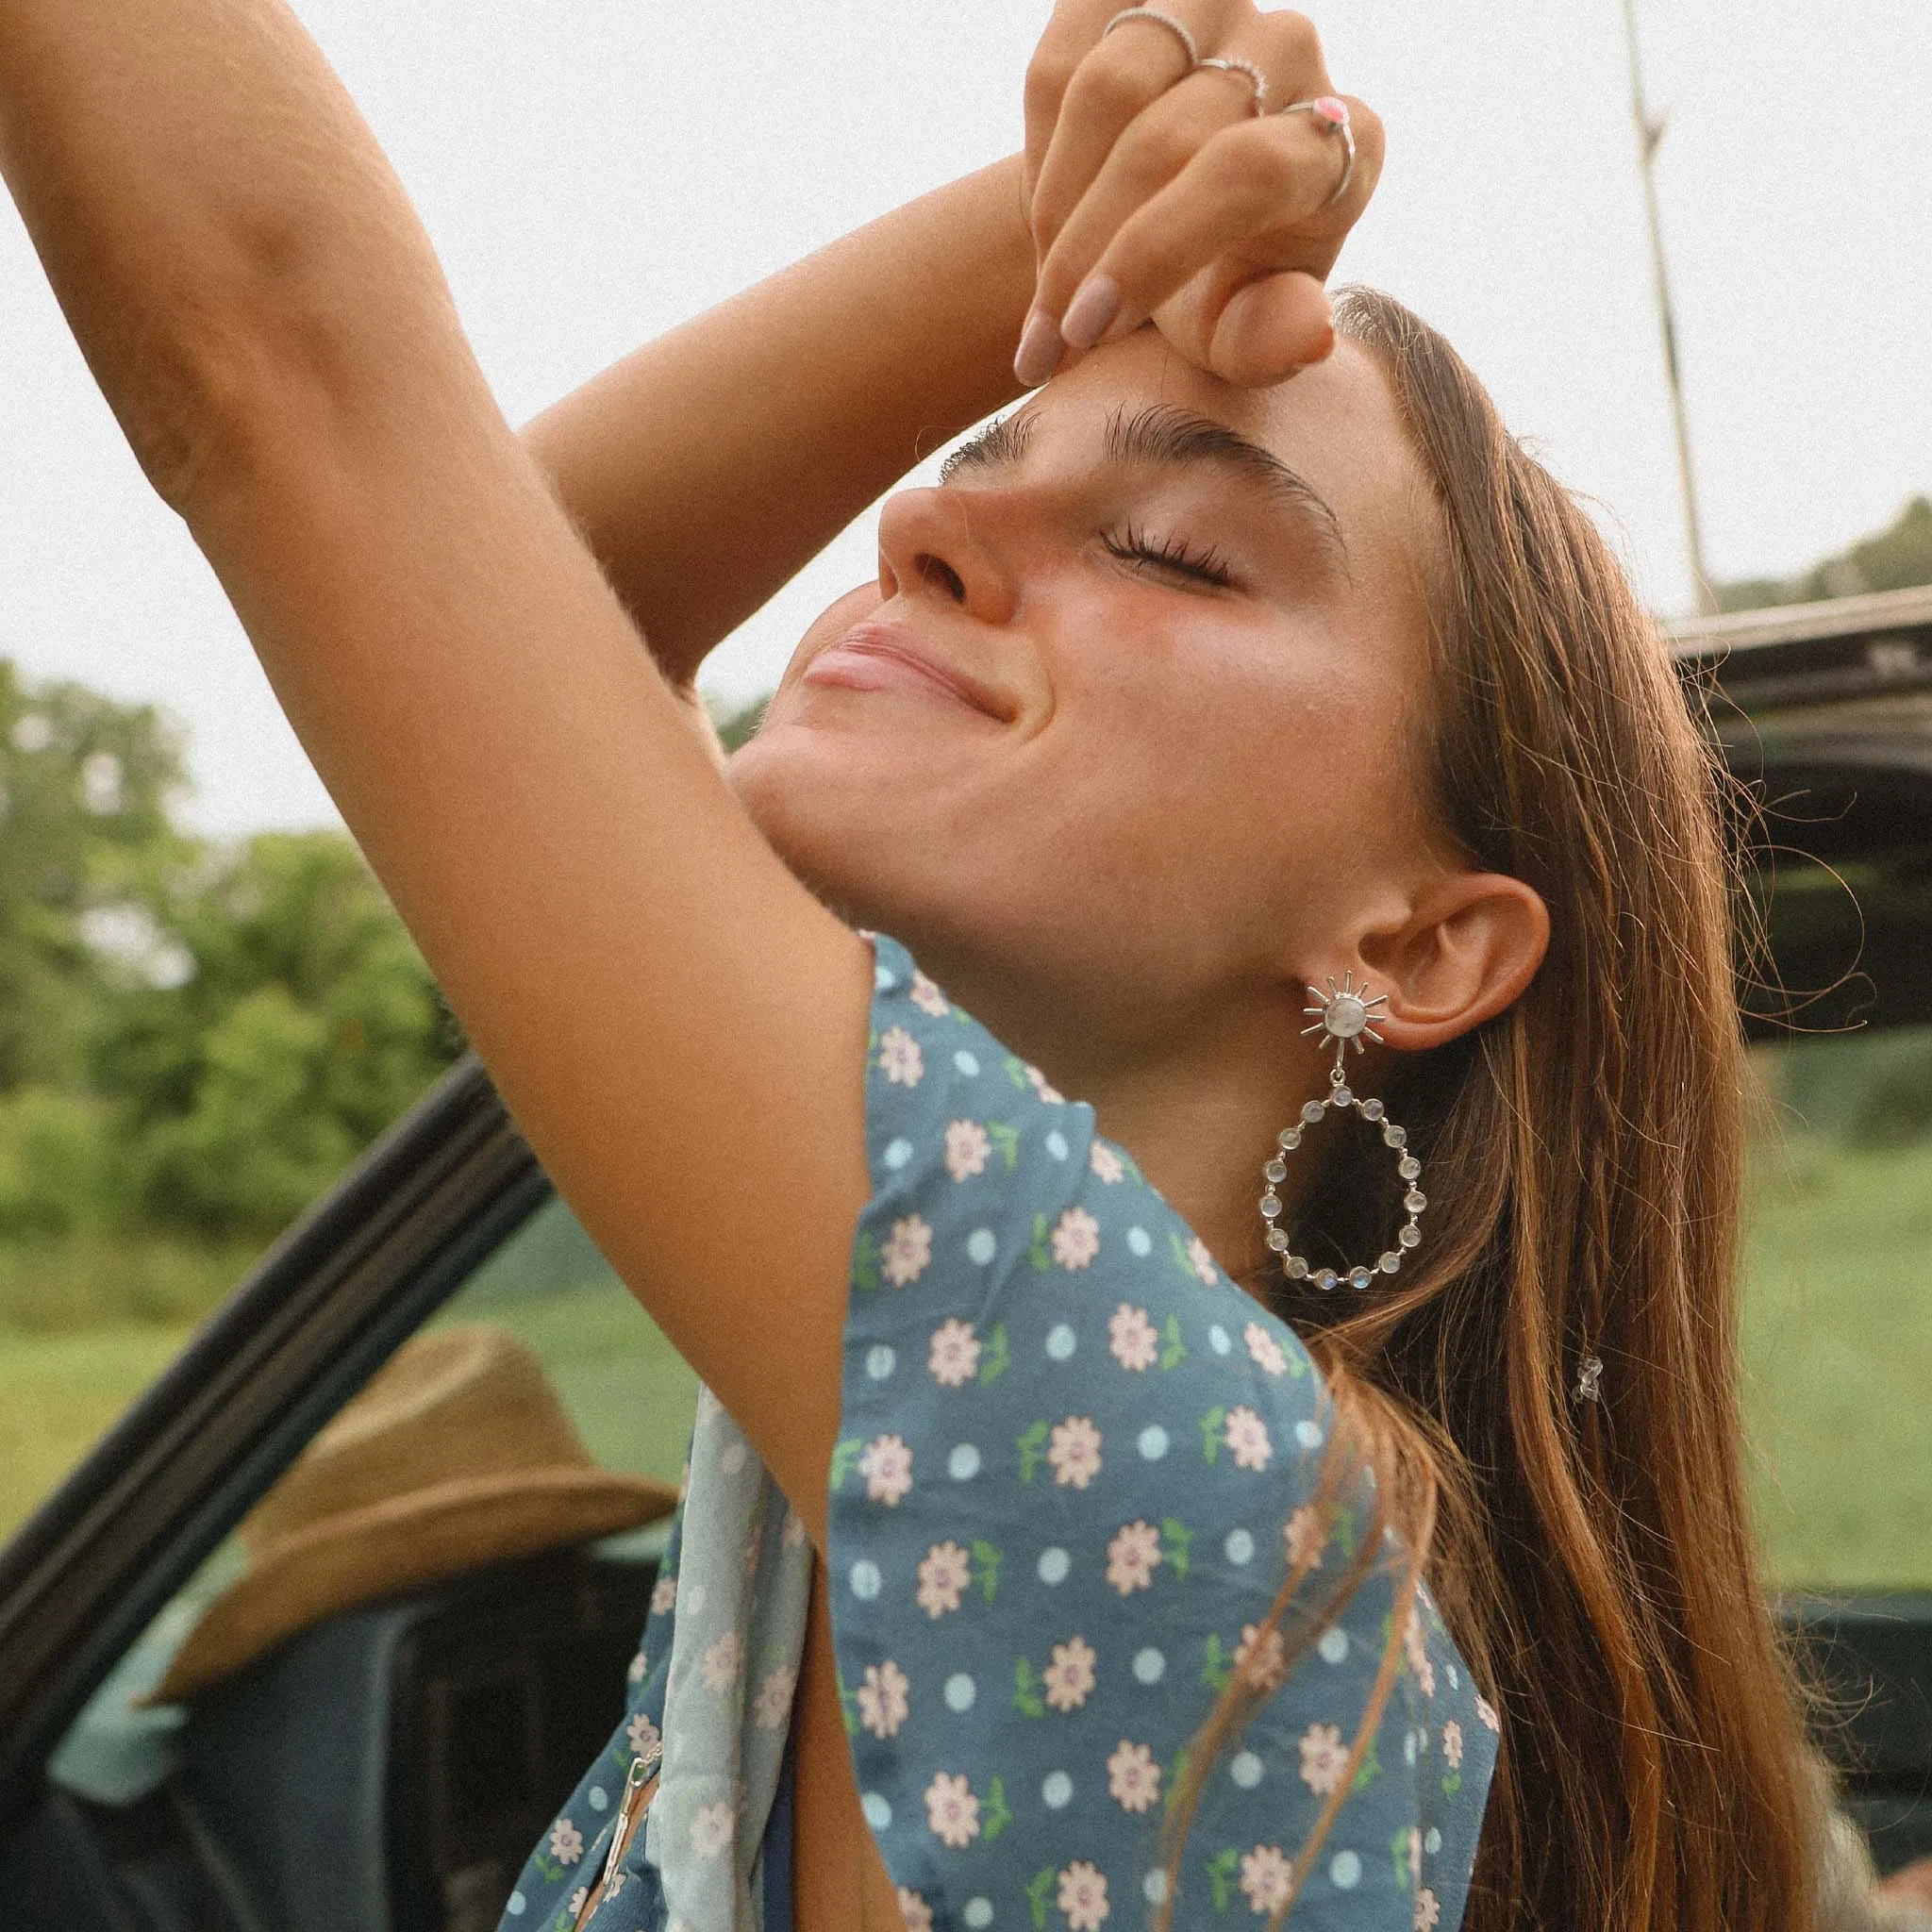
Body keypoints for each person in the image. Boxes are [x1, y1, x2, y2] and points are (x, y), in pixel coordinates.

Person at [0, 0, 1876, 1925]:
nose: (920, 516)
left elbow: (292, 389)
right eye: (972, 458)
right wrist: (1095, 214)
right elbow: (486, 610)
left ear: (1416, 945)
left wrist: (1093, 219)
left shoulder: (1165, 1503)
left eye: (1165, 546)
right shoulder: (997, 1460)